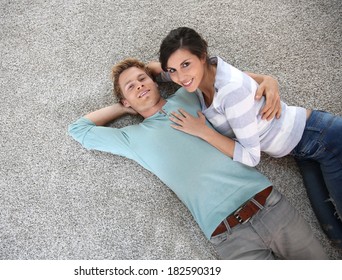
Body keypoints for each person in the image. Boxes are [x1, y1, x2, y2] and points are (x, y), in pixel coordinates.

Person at [68, 58, 327, 259]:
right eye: (131, 86)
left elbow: (217, 76)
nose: (140, 86)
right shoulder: (131, 138)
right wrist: (125, 105)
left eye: (142, 79)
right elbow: (79, 129)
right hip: (227, 235)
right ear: (125, 100)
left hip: (267, 205)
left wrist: (266, 79)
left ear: (156, 81)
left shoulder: (186, 96)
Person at [150, 26, 342, 248]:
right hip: (304, 150)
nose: (180, 77)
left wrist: (203, 131)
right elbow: (157, 70)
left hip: (324, 139)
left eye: (186, 65)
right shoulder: (206, 72)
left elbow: (251, 157)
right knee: (335, 235)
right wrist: (141, 76)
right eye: (173, 70)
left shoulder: (230, 92)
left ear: (202, 56)